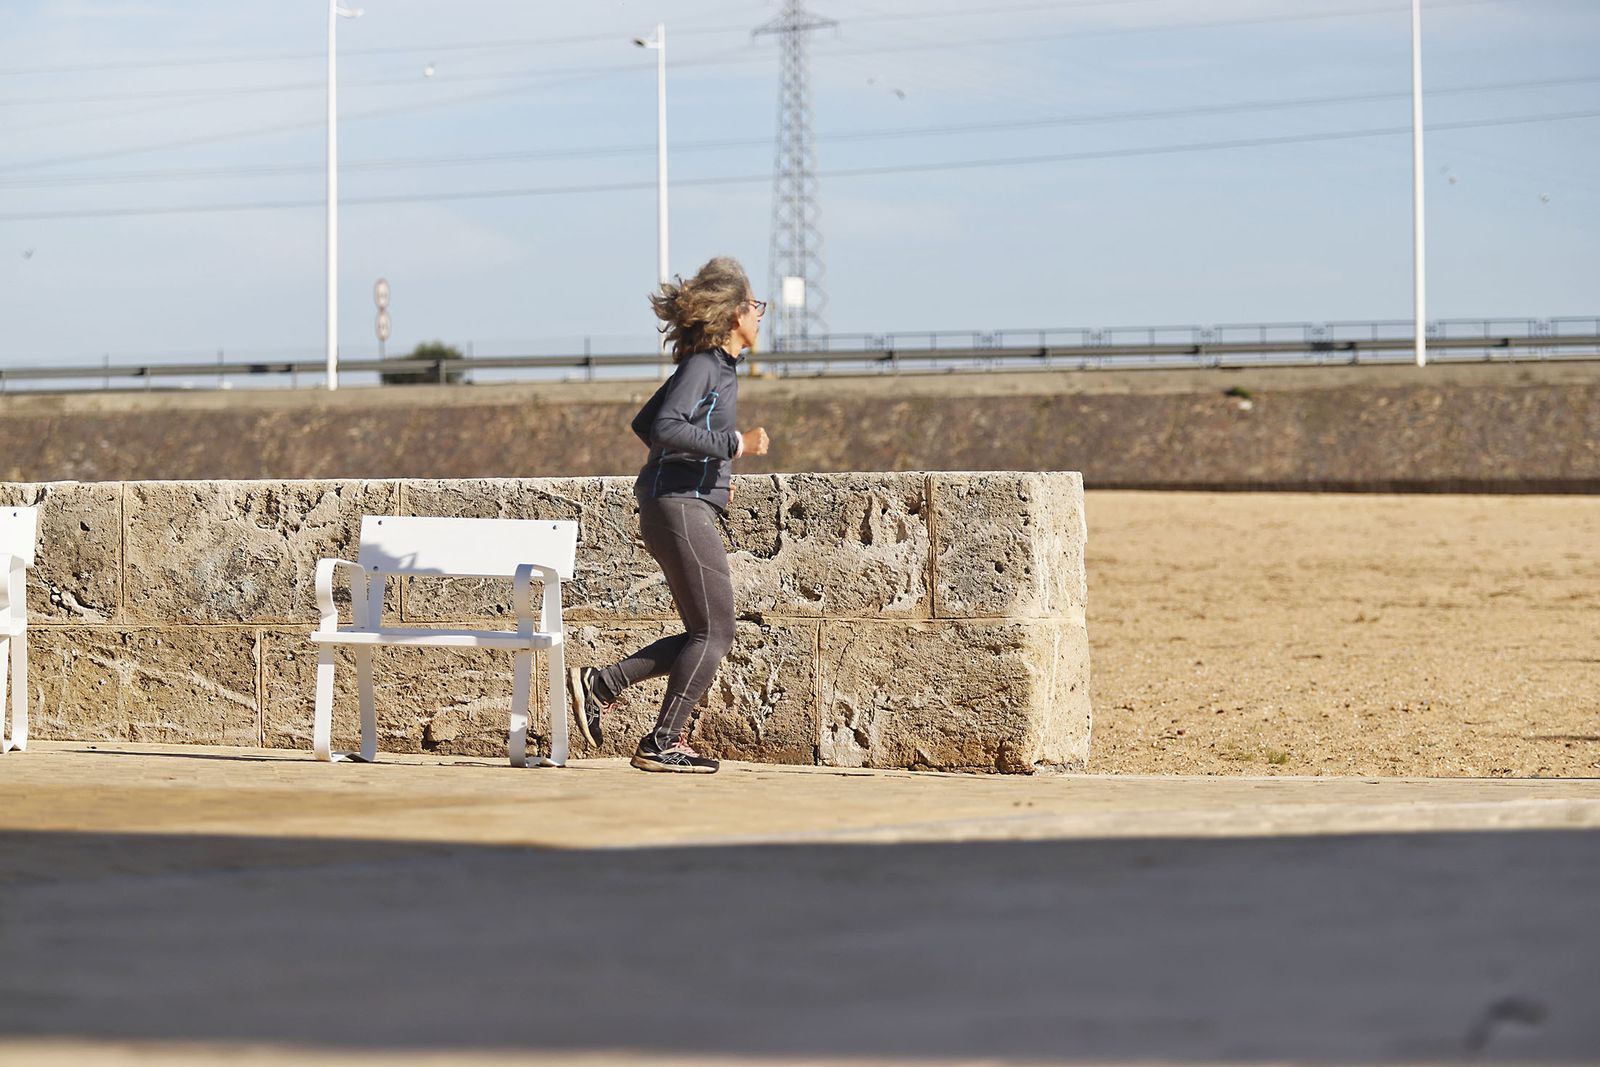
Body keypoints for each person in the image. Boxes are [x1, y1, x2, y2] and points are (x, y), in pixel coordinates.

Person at [567, 256, 771, 773]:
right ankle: (661, 743)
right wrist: (732, 444)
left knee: (703, 630)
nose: (760, 315)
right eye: (754, 306)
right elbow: (662, 429)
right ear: (732, 317)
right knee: (717, 631)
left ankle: (604, 683)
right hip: (679, 506)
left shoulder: (712, 368)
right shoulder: (706, 366)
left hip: (676, 502)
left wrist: (691, 461)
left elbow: (646, 421)